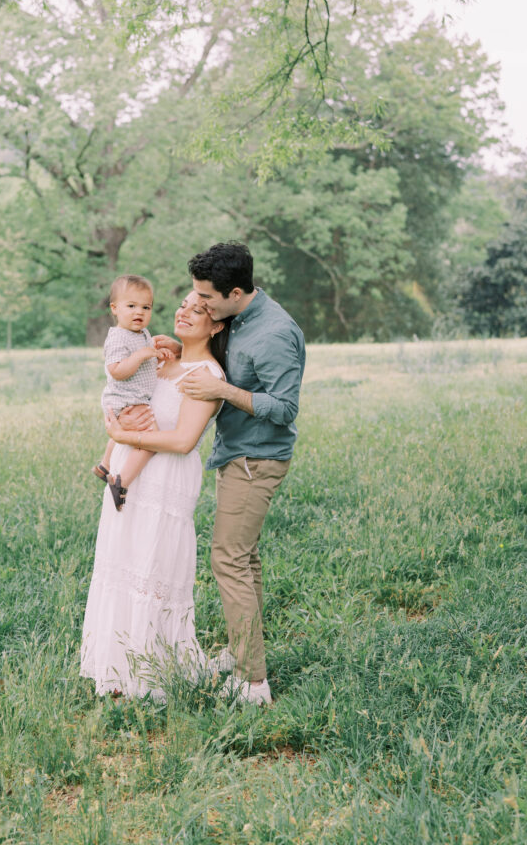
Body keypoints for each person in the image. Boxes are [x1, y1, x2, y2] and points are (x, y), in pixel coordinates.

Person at [80, 291, 227, 701]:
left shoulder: (208, 373)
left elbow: (182, 441)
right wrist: (117, 421)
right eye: (182, 304)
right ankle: (116, 668)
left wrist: (122, 434)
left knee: (151, 565)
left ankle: (153, 672)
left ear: (216, 325)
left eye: (197, 310)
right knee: (122, 561)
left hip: (165, 476)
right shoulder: (161, 356)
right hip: (131, 471)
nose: (183, 312)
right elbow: (122, 389)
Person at [178, 242, 305, 706]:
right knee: (243, 559)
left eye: (207, 298)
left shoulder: (273, 333)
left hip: (257, 460)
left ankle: (254, 683)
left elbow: (285, 407)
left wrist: (221, 390)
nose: (201, 305)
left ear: (235, 291)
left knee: (228, 558)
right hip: (236, 453)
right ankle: (240, 651)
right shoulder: (239, 316)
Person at [93, 274, 164, 511]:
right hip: (126, 399)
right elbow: (116, 371)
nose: (139, 312)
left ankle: (104, 466)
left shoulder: (142, 333)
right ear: (114, 308)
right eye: (131, 306)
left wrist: (156, 356)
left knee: (124, 432)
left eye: (146, 307)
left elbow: (144, 363)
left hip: (134, 397)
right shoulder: (117, 337)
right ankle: (121, 481)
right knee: (151, 441)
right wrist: (141, 355)